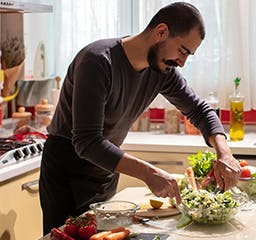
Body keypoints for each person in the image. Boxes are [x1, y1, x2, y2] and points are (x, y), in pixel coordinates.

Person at [39, 2, 241, 235]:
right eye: (183, 51)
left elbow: (200, 110)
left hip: (105, 169)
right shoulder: (97, 61)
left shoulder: (163, 72)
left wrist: (224, 153)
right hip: (67, 171)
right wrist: (149, 173)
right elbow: (87, 141)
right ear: (161, 32)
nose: (182, 62)